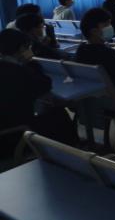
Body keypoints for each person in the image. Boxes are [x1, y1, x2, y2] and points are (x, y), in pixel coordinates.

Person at [0, 29, 77, 157]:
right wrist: (31, 64)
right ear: (21, 48)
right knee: (58, 114)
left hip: (5, 130)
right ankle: (70, 155)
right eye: (28, 47)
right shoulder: (19, 72)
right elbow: (44, 84)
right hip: (16, 135)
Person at [75, 8, 115, 94]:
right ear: (94, 31)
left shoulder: (80, 51)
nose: (110, 27)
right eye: (106, 24)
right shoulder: (112, 56)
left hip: (98, 97)